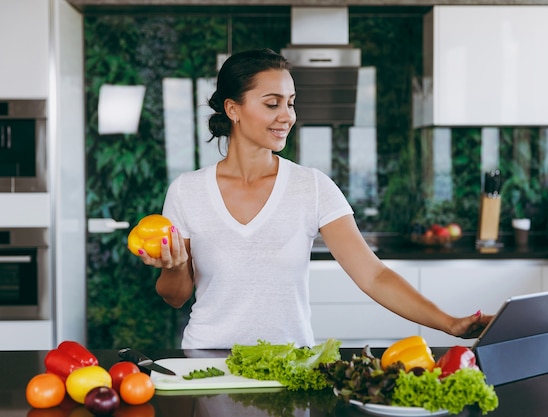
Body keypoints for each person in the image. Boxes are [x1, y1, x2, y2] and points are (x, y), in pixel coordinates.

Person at [136, 48, 491, 349]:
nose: (287, 116)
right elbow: (175, 295)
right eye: (272, 103)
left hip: (290, 364)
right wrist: (175, 265)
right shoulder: (187, 190)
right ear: (233, 109)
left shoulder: (311, 186)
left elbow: (374, 276)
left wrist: (448, 323)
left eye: (290, 103)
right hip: (209, 361)